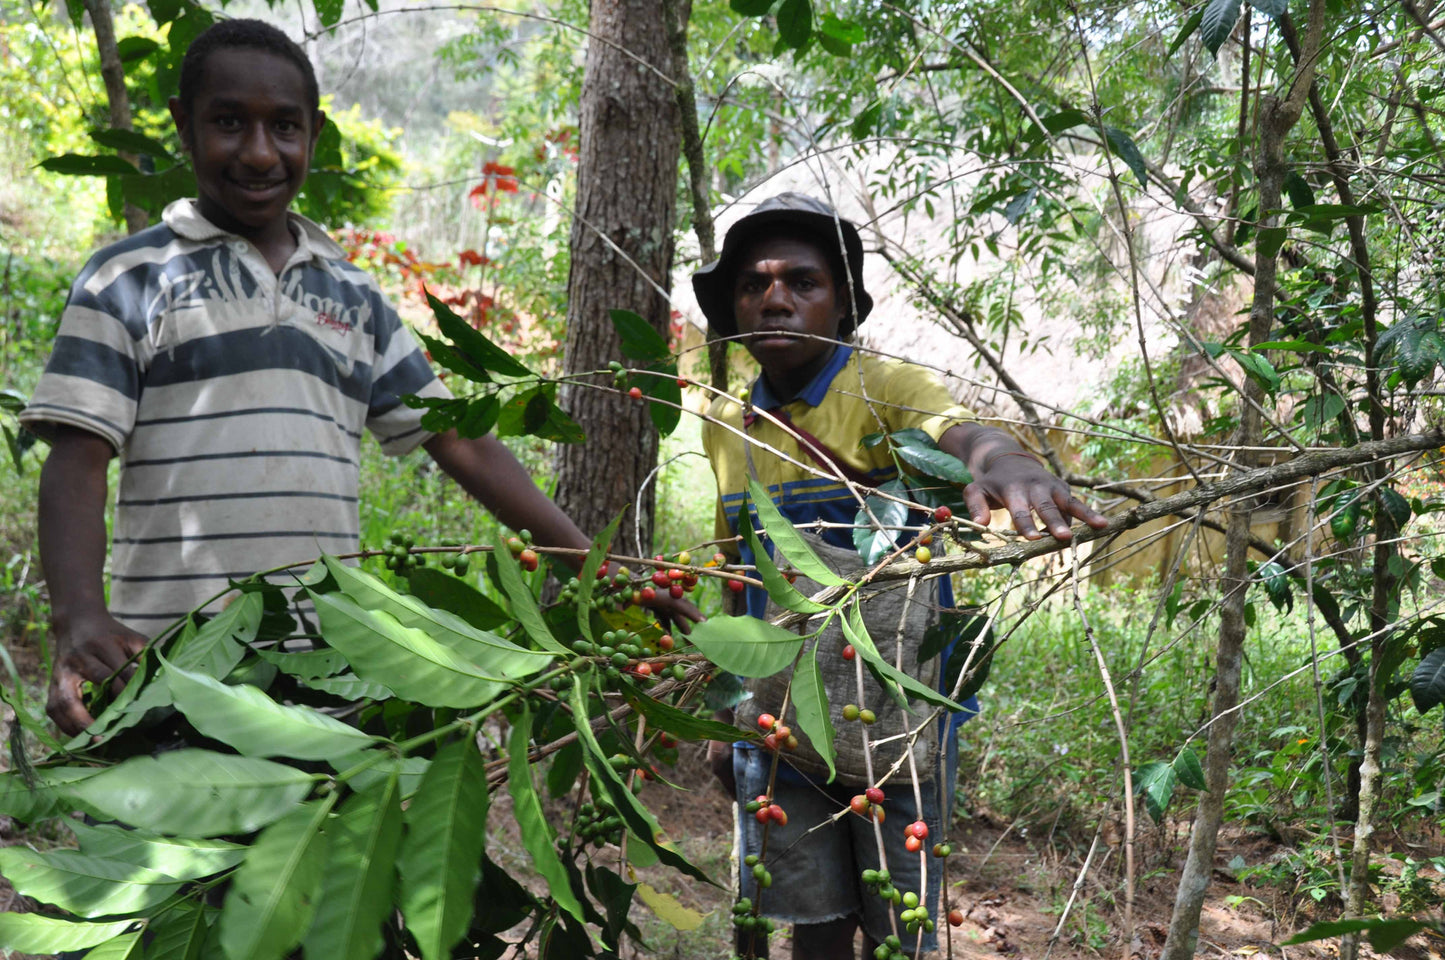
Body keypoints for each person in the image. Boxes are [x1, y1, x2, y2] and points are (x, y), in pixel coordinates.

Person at [22, 18, 699, 739]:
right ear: (184, 126)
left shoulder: (355, 298)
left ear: (313, 132)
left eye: (283, 127)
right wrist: (80, 618)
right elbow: (77, 459)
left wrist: (599, 568)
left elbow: (460, 443)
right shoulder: (129, 278)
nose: (259, 152)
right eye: (228, 123)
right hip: (166, 667)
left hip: (324, 675)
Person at [692, 192, 1107, 960]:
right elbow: (738, 567)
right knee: (808, 920)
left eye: (802, 282)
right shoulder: (726, 424)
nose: (774, 298)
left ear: (842, 302)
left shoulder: (888, 390)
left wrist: (1007, 465)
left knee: (898, 926)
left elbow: (963, 434)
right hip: (781, 719)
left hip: (893, 718)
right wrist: (729, 703)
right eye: (753, 284)